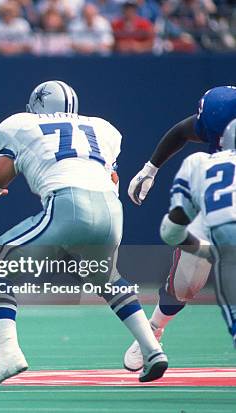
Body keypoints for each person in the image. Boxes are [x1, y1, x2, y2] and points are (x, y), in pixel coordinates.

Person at [0, 80, 167, 391]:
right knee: (106, 277)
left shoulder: (23, 126)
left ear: (36, 107)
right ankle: (152, 349)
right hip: (112, 211)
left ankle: (8, 352)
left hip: (70, 206)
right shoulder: (102, 129)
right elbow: (111, 176)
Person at [124, 85, 236, 371]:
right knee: (187, 281)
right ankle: (153, 329)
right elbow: (183, 130)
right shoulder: (219, 112)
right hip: (219, 208)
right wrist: (150, 169)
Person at [159, 118, 236, 347]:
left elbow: (172, 230)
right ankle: (154, 327)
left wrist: (204, 251)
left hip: (223, 235)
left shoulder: (199, 164)